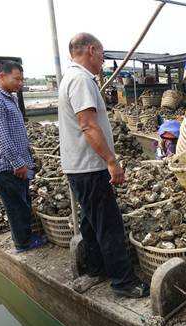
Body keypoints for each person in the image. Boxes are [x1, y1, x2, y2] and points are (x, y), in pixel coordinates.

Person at [58, 32, 149, 298]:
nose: (103, 59)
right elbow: (87, 125)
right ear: (91, 50)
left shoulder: (70, 78)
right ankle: (123, 281)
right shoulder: (81, 79)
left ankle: (96, 269)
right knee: (109, 224)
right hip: (90, 167)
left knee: (90, 222)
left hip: (78, 167)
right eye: (102, 53)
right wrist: (111, 160)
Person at [0, 61, 45, 252]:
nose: (20, 83)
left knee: (23, 202)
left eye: (21, 79)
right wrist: (18, 164)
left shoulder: (9, 98)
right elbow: (3, 139)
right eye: (16, 79)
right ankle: (22, 243)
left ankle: (25, 236)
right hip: (7, 166)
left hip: (17, 163)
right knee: (15, 207)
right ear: (1, 76)